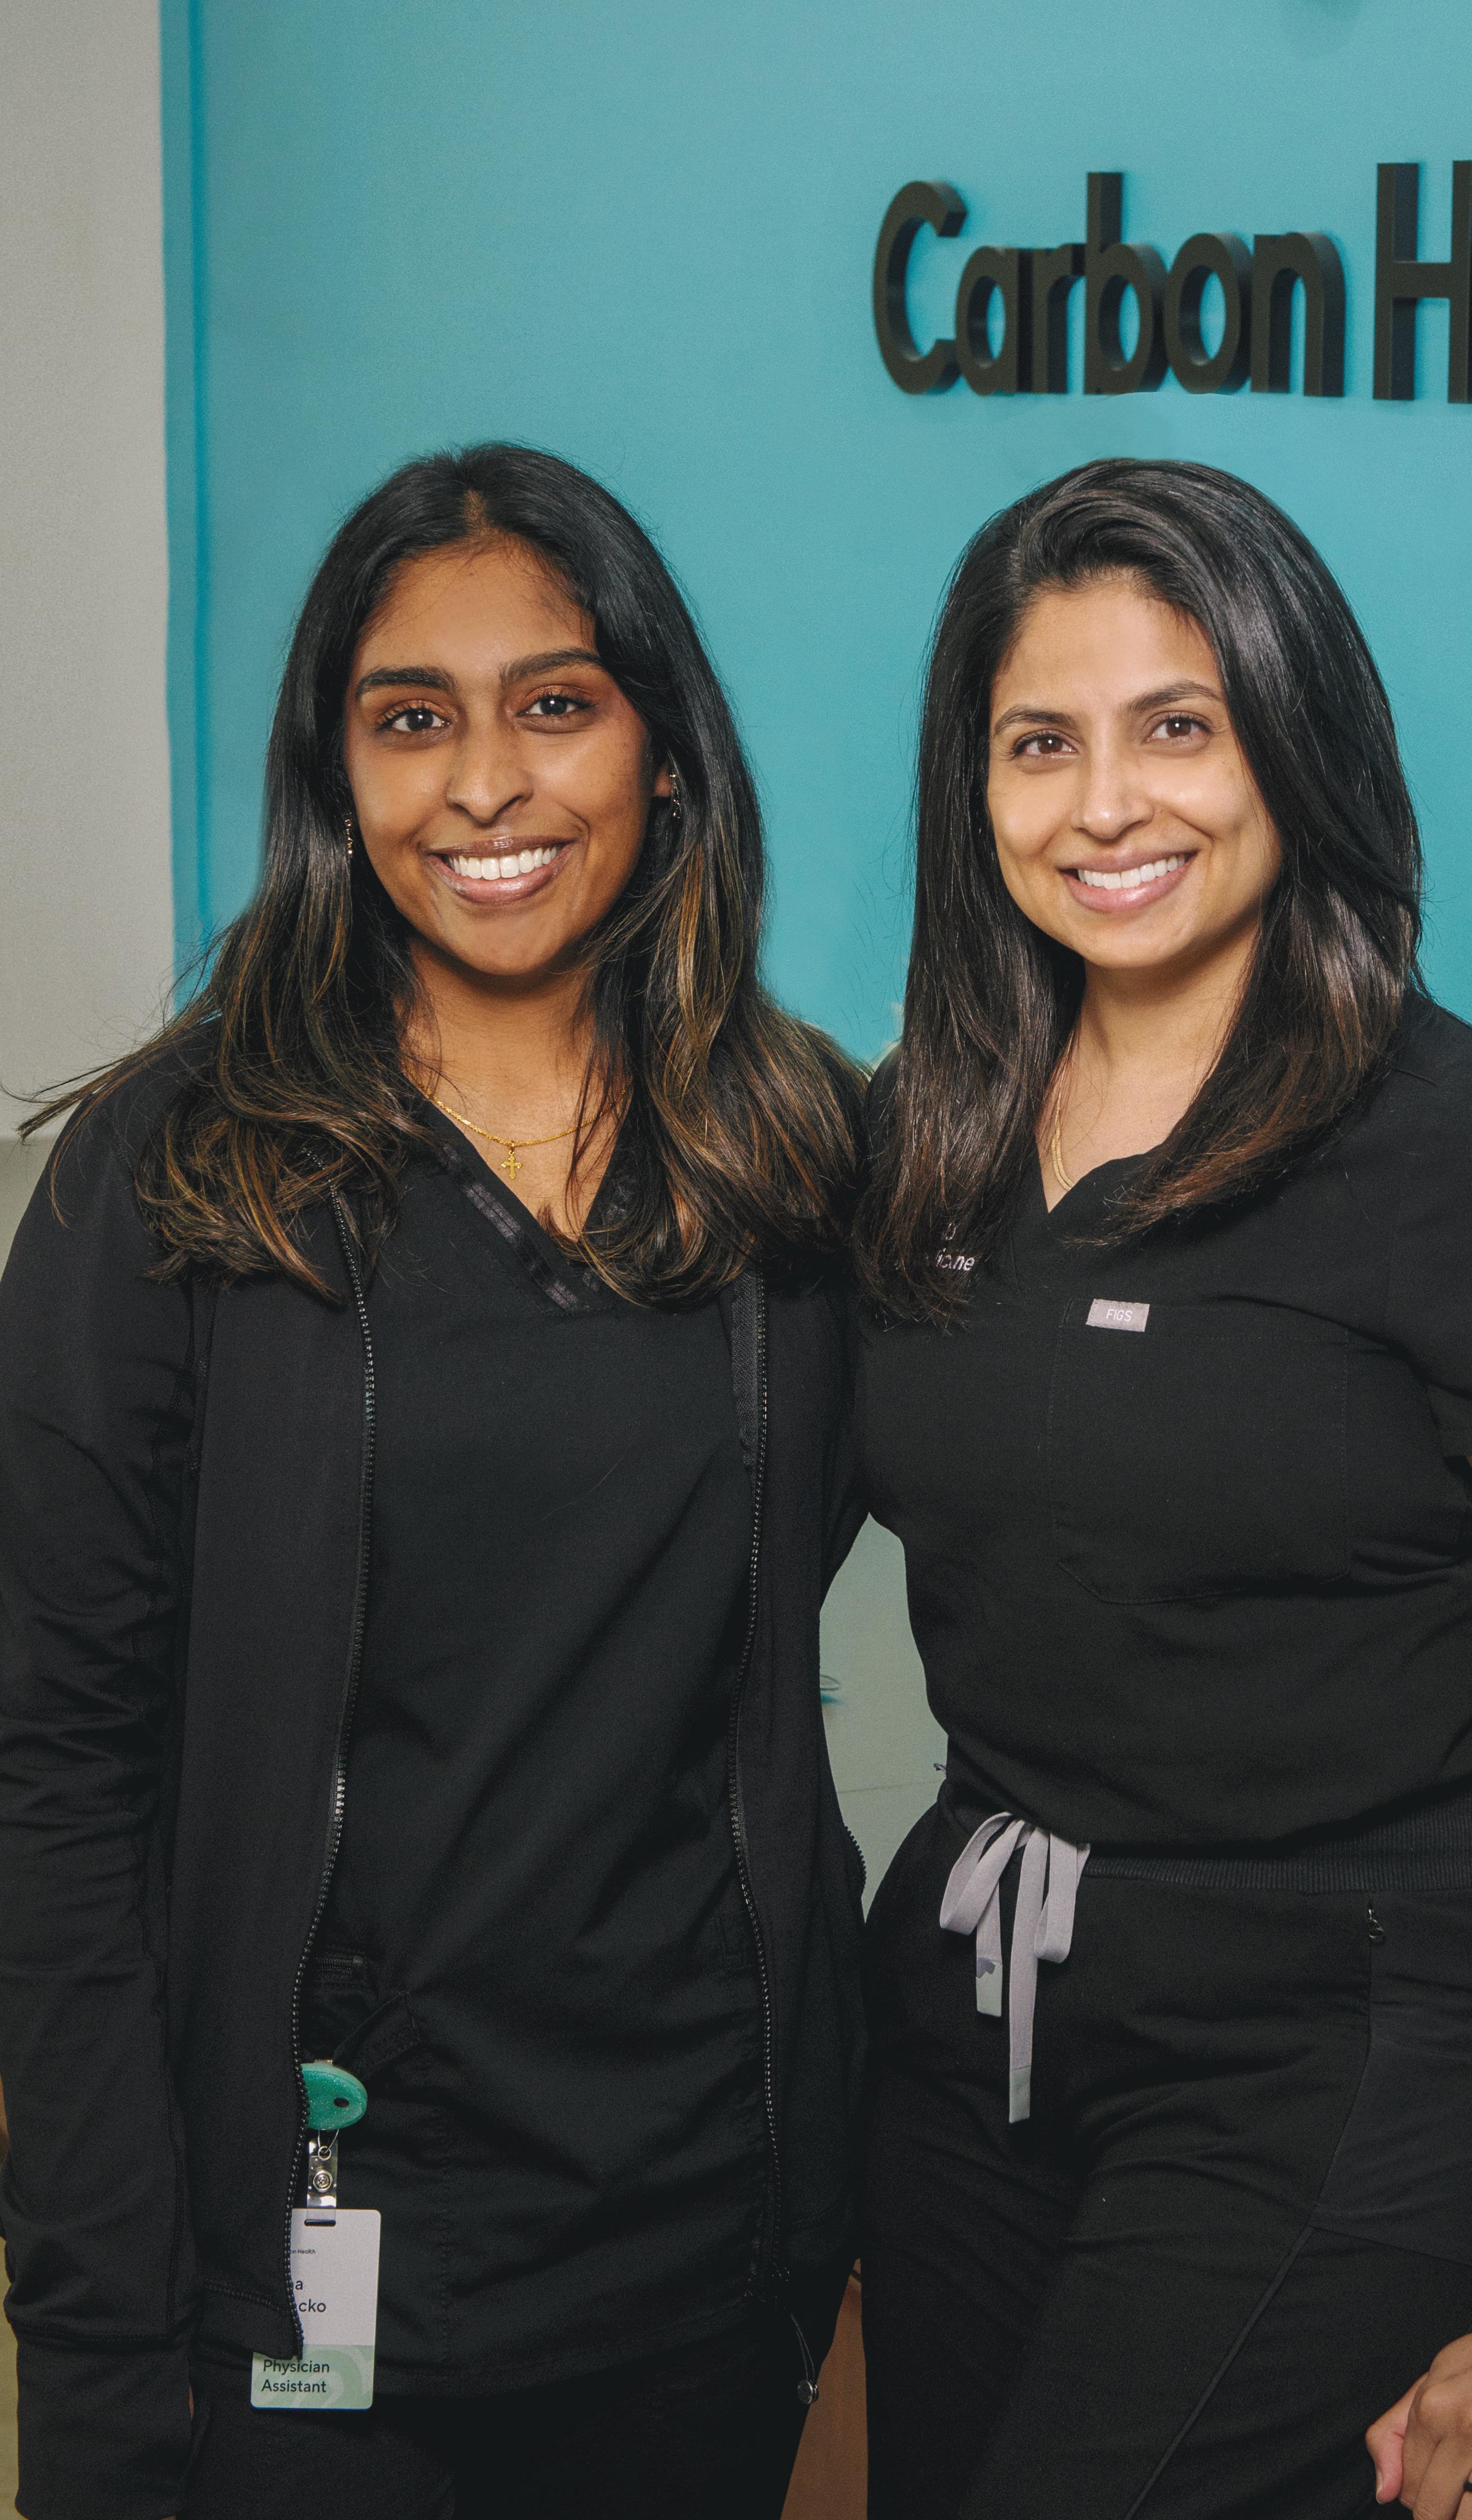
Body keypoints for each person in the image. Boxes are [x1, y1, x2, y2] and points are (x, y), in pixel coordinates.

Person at [851, 458, 1472, 2520]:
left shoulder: (1468, 1152)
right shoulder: (926, 1125)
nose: (1105, 806)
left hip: (1334, 2031)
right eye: (1039, 743)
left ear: (1294, 738)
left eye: (1178, 726)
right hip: (973, 1990)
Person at [0, 444, 867, 2520]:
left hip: (703, 2256)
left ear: (664, 747)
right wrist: (99, 2339)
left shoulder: (793, 1158)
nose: (484, 783)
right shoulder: (174, 1182)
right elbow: (51, 1784)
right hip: (305, 2261)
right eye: (411, 719)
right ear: (336, 770)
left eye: (554, 703)